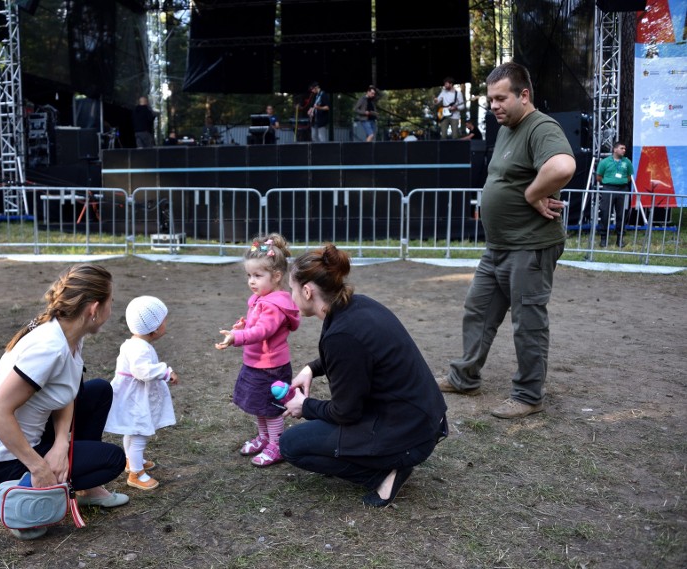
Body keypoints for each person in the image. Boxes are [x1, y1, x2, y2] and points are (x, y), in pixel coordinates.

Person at [437, 62, 576, 419]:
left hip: (529, 246)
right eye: (491, 99)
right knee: (478, 311)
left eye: (501, 98)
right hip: (498, 247)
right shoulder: (506, 128)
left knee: (527, 322)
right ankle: (464, 376)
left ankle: (529, 395)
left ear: (524, 95)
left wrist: (533, 193)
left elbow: (562, 167)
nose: (494, 105)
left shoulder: (540, 126)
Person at [279, 244, 448, 508]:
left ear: (308, 291)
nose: (291, 296)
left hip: (406, 432)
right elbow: (359, 356)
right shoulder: (356, 306)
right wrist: (311, 368)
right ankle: (387, 461)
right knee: (310, 438)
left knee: (291, 445)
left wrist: (305, 406)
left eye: (292, 289)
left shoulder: (342, 335)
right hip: (422, 420)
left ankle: (383, 474)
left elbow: (346, 413)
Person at [0, 264, 127, 540]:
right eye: (111, 302)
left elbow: (66, 392)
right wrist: (39, 467)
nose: (111, 310)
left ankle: (85, 490)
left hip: (33, 437)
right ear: (93, 309)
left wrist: (61, 442)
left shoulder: (70, 334)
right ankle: (14, 494)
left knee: (99, 391)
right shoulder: (49, 348)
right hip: (3, 459)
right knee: (113, 460)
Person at [215, 234, 300, 467]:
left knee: (270, 408)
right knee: (258, 405)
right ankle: (264, 438)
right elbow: (256, 326)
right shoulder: (259, 299)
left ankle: (277, 445)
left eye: (258, 276)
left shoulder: (274, 305)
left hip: (270, 367)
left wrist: (237, 337)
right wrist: (243, 326)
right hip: (256, 363)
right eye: (249, 275)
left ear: (277, 276)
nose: (252, 281)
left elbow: (263, 331)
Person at [105, 296, 178, 491]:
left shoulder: (134, 343)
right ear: (154, 328)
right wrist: (165, 371)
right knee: (139, 433)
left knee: (133, 430)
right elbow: (142, 371)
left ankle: (131, 460)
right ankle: (136, 473)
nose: (166, 324)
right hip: (136, 399)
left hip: (132, 396)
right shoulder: (140, 349)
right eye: (164, 320)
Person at [596, 141, 633, 248]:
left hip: (623, 190)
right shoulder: (605, 162)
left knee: (622, 214)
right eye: (622, 148)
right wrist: (609, 182)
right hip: (608, 189)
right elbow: (598, 177)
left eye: (625, 149)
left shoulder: (627, 162)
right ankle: (603, 238)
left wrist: (621, 182)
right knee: (605, 213)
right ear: (615, 149)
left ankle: (620, 238)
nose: (624, 150)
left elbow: (629, 177)